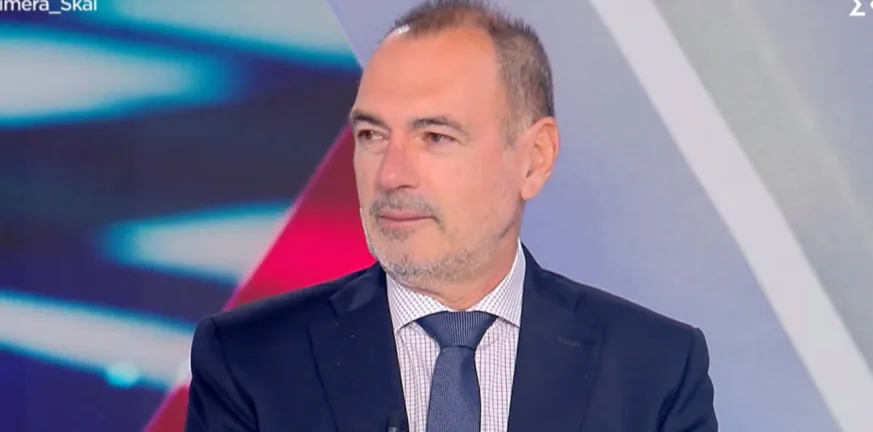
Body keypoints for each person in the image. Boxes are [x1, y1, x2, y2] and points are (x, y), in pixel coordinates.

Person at [184, 0, 718, 431]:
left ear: (535, 159)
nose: (391, 174)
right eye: (371, 135)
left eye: (435, 136)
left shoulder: (655, 370)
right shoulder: (248, 361)